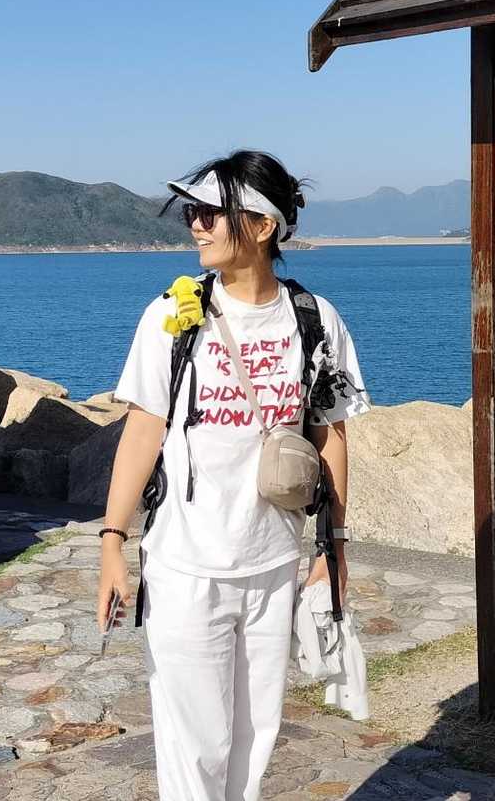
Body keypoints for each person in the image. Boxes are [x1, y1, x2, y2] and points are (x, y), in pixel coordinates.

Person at [96, 151, 370, 801]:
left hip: (272, 561)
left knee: (255, 735)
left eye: (212, 212)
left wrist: (333, 548)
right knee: (195, 743)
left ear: (264, 225)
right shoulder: (173, 313)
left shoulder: (314, 319)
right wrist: (112, 541)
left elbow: (331, 435)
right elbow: (143, 430)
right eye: (192, 212)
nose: (197, 224)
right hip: (185, 564)